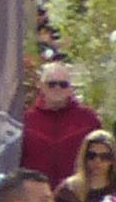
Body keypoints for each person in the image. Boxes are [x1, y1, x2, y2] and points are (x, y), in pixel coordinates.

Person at [17, 54, 95, 182]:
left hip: (76, 193)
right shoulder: (26, 120)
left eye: (63, 84)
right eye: (51, 84)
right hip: (36, 193)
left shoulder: (88, 119)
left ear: (70, 88)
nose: (57, 88)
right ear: (41, 85)